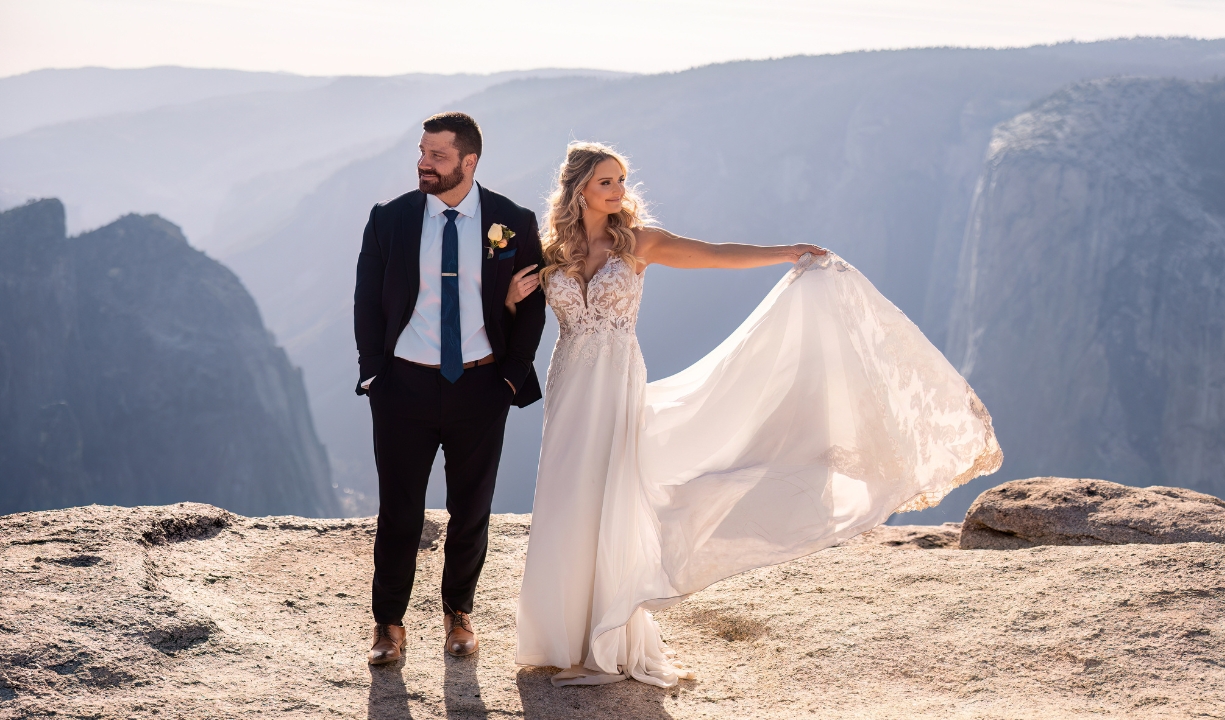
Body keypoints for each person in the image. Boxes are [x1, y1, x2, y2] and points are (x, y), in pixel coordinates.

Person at [509, 142, 1002, 686]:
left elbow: (716, 253)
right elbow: (515, 312)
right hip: (569, 383)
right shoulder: (552, 249)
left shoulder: (639, 243)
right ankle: (561, 636)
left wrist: (785, 252)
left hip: (618, 382)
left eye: (622, 180)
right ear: (580, 188)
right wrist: (510, 297)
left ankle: (607, 636)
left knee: (614, 492)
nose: (620, 191)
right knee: (567, 493)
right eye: (608, 181)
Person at [353, 112, 546, 664]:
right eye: (421, 152)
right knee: (399, 511)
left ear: (469, 161)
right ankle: (388, 625)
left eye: (437, 156)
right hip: (403, 389)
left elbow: (532, 306)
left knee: (472, 508)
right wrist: (374, 372)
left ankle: (458, 613)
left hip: (482, 386)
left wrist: (509, 376)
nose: (424, 164)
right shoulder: (389, 219)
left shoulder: (512, 220)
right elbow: (367, 300)